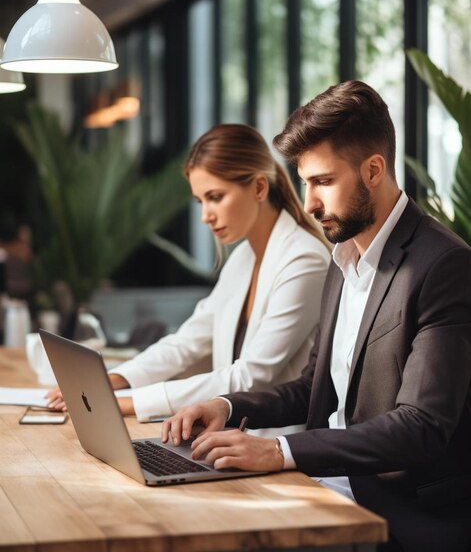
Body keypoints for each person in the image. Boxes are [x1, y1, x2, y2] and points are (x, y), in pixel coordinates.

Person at [161, 82, 471, 552]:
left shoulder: (443, 265)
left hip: (399, 519)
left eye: (323, 181)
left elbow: (422, 425)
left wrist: (281, 452)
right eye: (305, 183)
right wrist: (228, 406)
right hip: (327, 487)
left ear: (374, 170)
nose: (309, 204)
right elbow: (313, 387)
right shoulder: (342, 253)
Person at [48, 123, 331, 428]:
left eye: (216, 197)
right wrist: (114, 380)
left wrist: (131, 402)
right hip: (230, 439)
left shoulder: (305, 260)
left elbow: (249, 376)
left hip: (274, 446)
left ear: (260, 188)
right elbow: (187, 342)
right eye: (200, 201)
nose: (205, 216)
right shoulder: (244, 259)